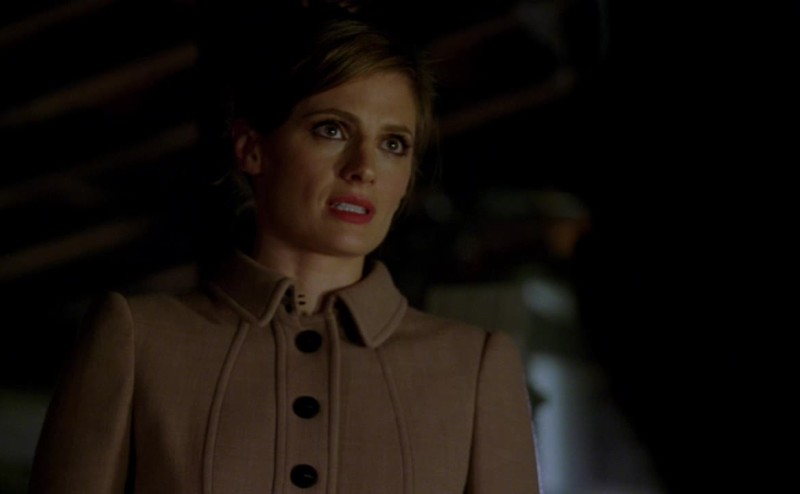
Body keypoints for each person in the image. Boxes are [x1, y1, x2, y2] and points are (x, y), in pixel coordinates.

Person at [29, 7, 540, 493]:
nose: (364, 168)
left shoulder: (474, 367)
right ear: (251, 148)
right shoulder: (136, 340)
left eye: (393, 144)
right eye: (332, 130)